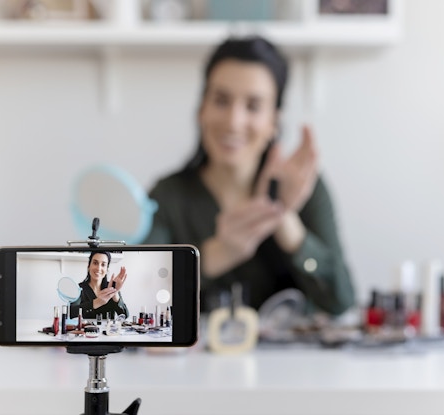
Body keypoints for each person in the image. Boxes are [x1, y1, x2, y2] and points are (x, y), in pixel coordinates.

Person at [142, 35, 355, 316]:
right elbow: (139, 300)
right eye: (221, 100)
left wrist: (284, 220)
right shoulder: (166, 196)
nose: (234, 121)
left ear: (273, 122)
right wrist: (217, 254)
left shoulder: (305, 187)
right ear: (201, 109)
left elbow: (342, 301)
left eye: (253, 106)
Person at [70, 251, 130, 319]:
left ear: (107, 269)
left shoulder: (112, 287)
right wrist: (97, 302)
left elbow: (125, 315)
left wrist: (114, 293)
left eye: (103, 265)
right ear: (89, 266)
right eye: (95, 263)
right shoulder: (78, 288)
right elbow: (71, 312)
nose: (98, 268)